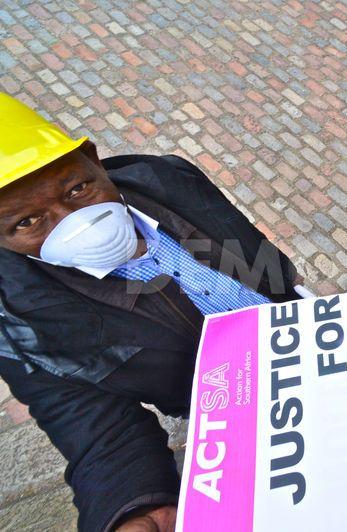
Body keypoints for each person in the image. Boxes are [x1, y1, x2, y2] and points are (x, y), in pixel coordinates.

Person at [0, 93, 303, 532]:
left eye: (78, 188)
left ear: (93, 159)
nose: (76, 221)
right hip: (233, 418)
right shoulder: (20, 323)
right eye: (27, 222)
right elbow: (92, 426)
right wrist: (132, 509)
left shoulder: (165, 177)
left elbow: (249, 251)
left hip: (307, 337)